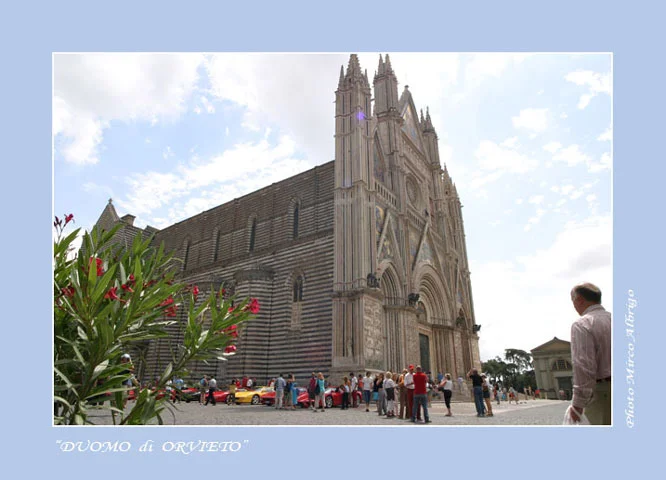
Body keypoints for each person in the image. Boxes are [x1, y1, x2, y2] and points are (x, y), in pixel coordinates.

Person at [566, 283, 611, 425]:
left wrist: (578, 404)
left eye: (572, 301)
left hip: (603, 393)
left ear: (579, 299)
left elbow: (584, 367)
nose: (573, 305)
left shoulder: (582, 324)